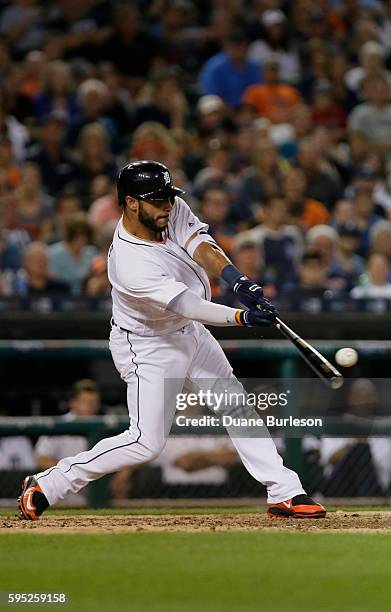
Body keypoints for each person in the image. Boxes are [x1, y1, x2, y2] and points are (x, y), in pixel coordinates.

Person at [18, 159, 325, 521]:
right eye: (156, 199)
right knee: (145, 442)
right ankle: (48, 484)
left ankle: (285, 492)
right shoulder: (129, 262)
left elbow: (201, 245)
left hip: (188, 331)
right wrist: (241, 316)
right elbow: (191, 305)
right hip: (148, 345)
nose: (166, 204)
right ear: (131, 203)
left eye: (168, 196)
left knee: (235, 403)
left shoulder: (168, 209)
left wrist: (238, 281)